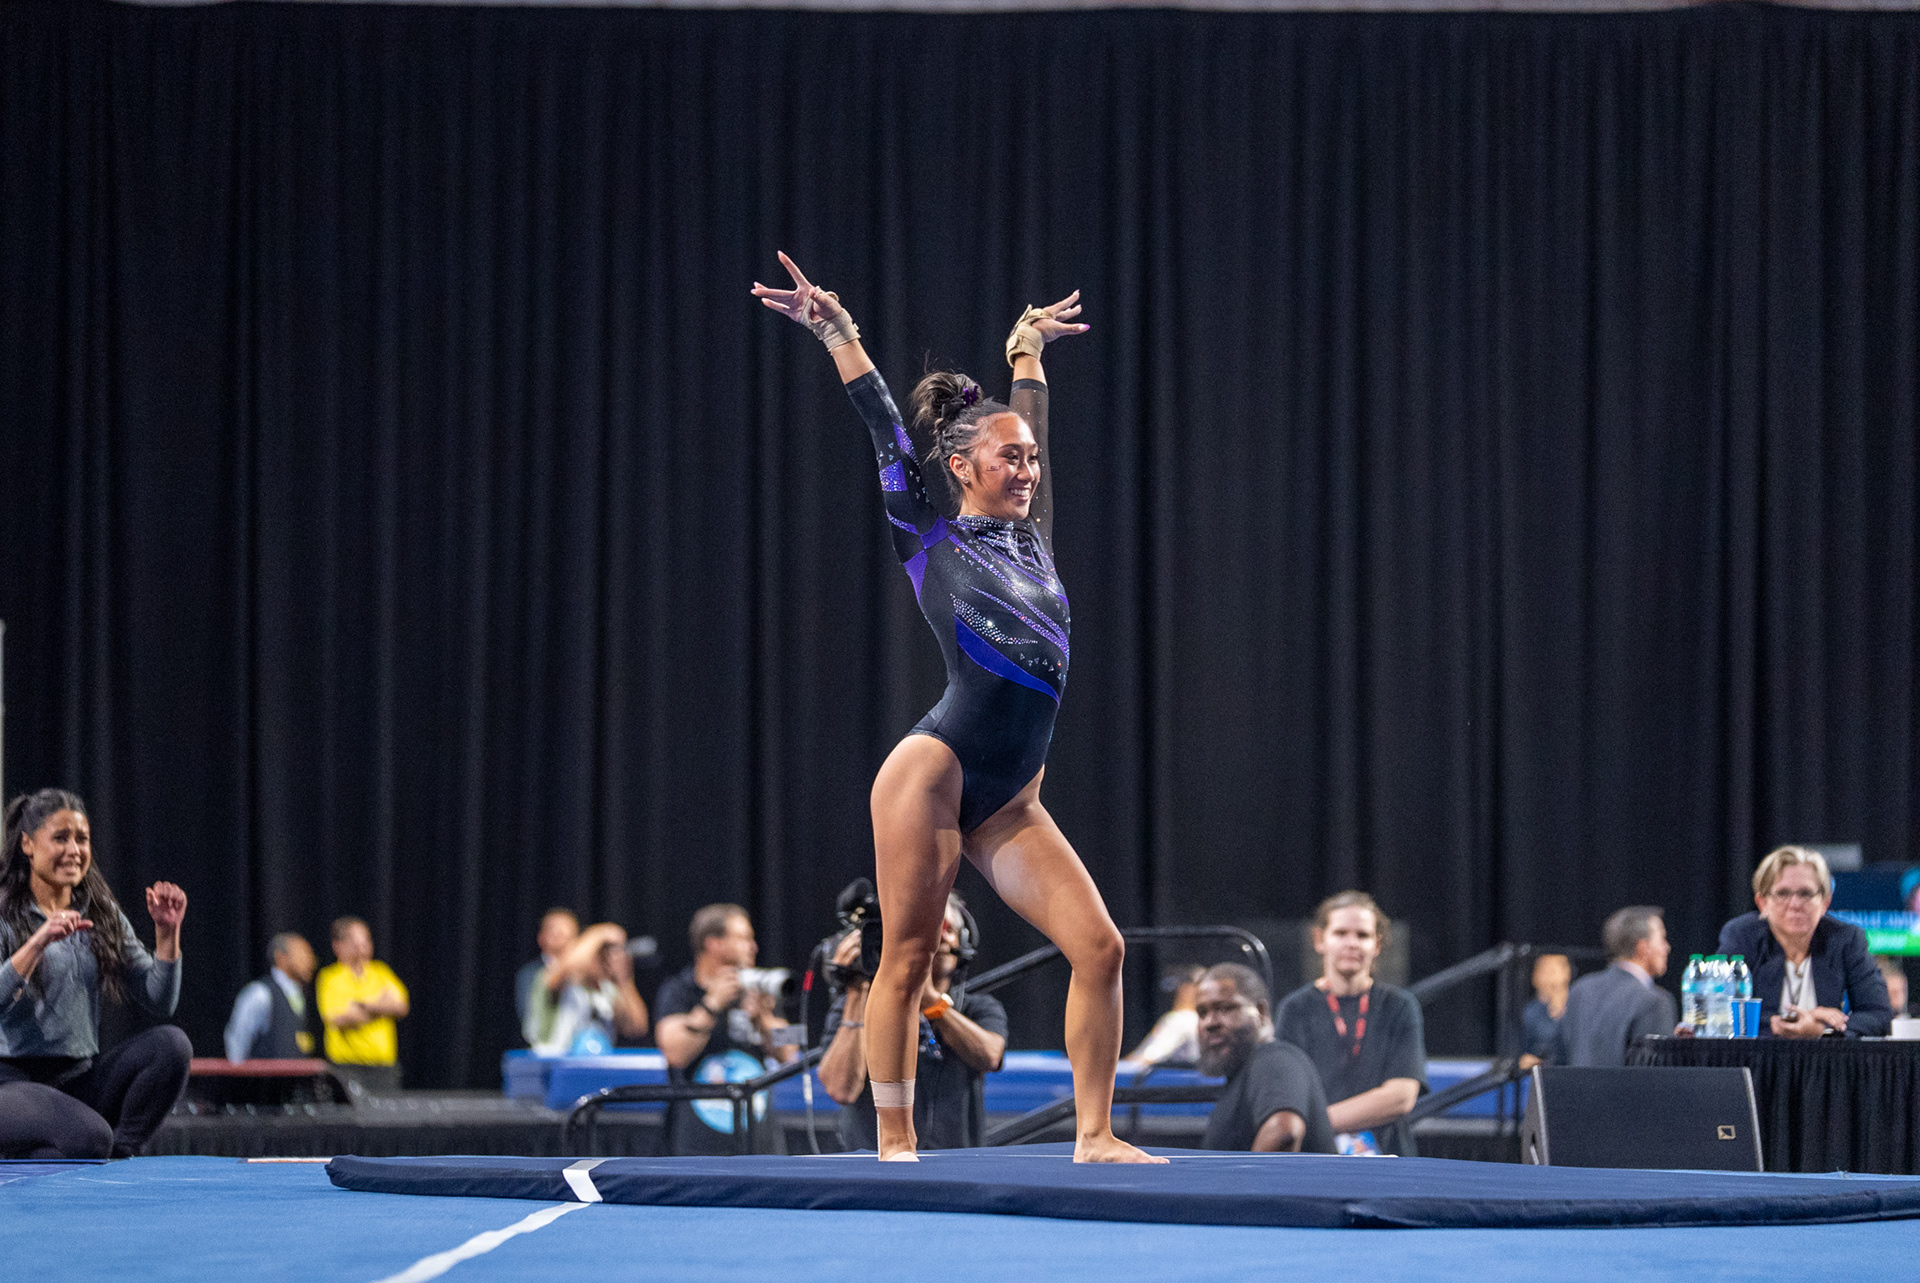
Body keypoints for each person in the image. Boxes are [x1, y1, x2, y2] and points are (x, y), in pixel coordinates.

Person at [754, 254, 1157, 1165]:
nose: (1028, 468)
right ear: (962, 465)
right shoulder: (926, 537)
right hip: (933, 773)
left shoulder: (1035, 540)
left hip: (1012, 799)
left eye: (1033, 458)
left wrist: (1029, 351)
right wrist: (837, 332)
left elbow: (1033, 420)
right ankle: (895, 1140)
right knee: (904, 957)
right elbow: (883, 426)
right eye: (1010, 457)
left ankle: (1095, 1133)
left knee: (1101, 948)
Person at [0, 788, 192, 1159]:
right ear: (27, 844)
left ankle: (120, 1154)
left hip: (77, 1081)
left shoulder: (100, 913)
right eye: (61, 838)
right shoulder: (6, 912)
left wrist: (167, 935)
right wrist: (39, 941)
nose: (74, 850)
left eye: (82, 839)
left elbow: (159, 1000)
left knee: (172, 1046)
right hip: (12, 1084)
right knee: (88, 1138)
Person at [820, 894, 1007, 1151]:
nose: (937, 938)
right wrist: (857, 989)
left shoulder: (978, 1007)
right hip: (873, 1164)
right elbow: (841, 1089)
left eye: (946, 928)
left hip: (957, 1163)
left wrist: (932, 1003)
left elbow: (990, 1056)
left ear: (963, 942)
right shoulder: (854, 1005)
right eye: (927, 928)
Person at [1274, 892, 1427, 1156]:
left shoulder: (1400, 1006)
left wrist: (1315, 1123)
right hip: (1317, 1158)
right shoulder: (1295, 1009)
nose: (1352, 943)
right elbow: (1288, 1094)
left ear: (1377, 944)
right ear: (1319, 939)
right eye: (1341, 933)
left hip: (1389, 1158)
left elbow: (1402, 1096)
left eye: (1363, 935)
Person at [654, 904, 793, 1154]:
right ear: (714, 943)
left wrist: (763, 1018)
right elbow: (674, 1052)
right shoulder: (678, 990)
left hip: (756, 1136)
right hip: (697, 1139)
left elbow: (790, 1050)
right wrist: (711, 1005)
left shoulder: (758, 989)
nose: (753, 947)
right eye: (743, 938)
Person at [1718, 846, 1892, 1038]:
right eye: (1783, 893)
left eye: (1805, 893)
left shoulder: (1847, 939)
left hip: (1826, 1055)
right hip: (1757, 1055)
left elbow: (1878, 1014)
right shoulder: (1742, 936)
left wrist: (1824, 1030)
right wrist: (1797, 1020)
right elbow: (1720, 1010)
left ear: (1825, 902)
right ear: (1762, 902)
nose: (1795, 904)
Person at [1195, 964, 1335, 1153]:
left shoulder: (1273, 1059)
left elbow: (1283, 1133)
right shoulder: (1245, 1073)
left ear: (1260, 1012)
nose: (1209, 1023)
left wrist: (1242, 1174)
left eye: (1225, 1009)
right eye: (1202, 1013)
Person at [1556, 906, 1676, 1066]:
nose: (1667, 948)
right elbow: (1657, 1074)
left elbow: (1560, 1056)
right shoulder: (1654, 1002)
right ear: (1643, 948)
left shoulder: (1580, 989)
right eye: (1662, 939)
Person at [315, 916, 410, 1092]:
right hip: (346, 1068)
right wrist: (381, 1006)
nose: (362, 946)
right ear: (338, 946)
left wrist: (363, 1005)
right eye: (355, 942)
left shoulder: (381, 972)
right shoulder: (329, 977)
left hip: (383, 1068)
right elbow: (339, 1019)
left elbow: (401, 1006)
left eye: (366, 940)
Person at [527, 921, 650, 1055]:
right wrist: (602, 933)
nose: (604, 959)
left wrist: (623, 981)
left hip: (594, 1065)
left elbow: (636, 1028)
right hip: (552, 1063)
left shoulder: (607, 989)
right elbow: (564, 970)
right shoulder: (557, 978)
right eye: (599, 953)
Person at [224, 932, 318, 1061]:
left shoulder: (302, 995)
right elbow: (237, 1043)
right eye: (302, 954)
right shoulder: (261, 994)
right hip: (265, 1073)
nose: (310, 961)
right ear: (281, 957)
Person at [515, 907, 579, 1038]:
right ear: (541, 937)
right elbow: (529, 1017)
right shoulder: (531, 973)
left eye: (566, 929)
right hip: (545, 1048)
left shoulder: (587, 974)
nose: (560, 933)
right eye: (553, 929)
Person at [1125, 964, 1205, 1067]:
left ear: (1187, 990)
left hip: (1181, 1076)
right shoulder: (1201, 1020)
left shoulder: (1182, 1019)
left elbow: (1146, 1059)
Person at [1519, 953, 1570, 1068]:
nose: (1551, 979)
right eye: (1546, 972)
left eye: (1554, 971)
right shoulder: (1530, 1013)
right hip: (1540, 1071)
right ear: (1535, 977)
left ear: (1567, 974)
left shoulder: (1578, 1007)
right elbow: (1523, 1054)